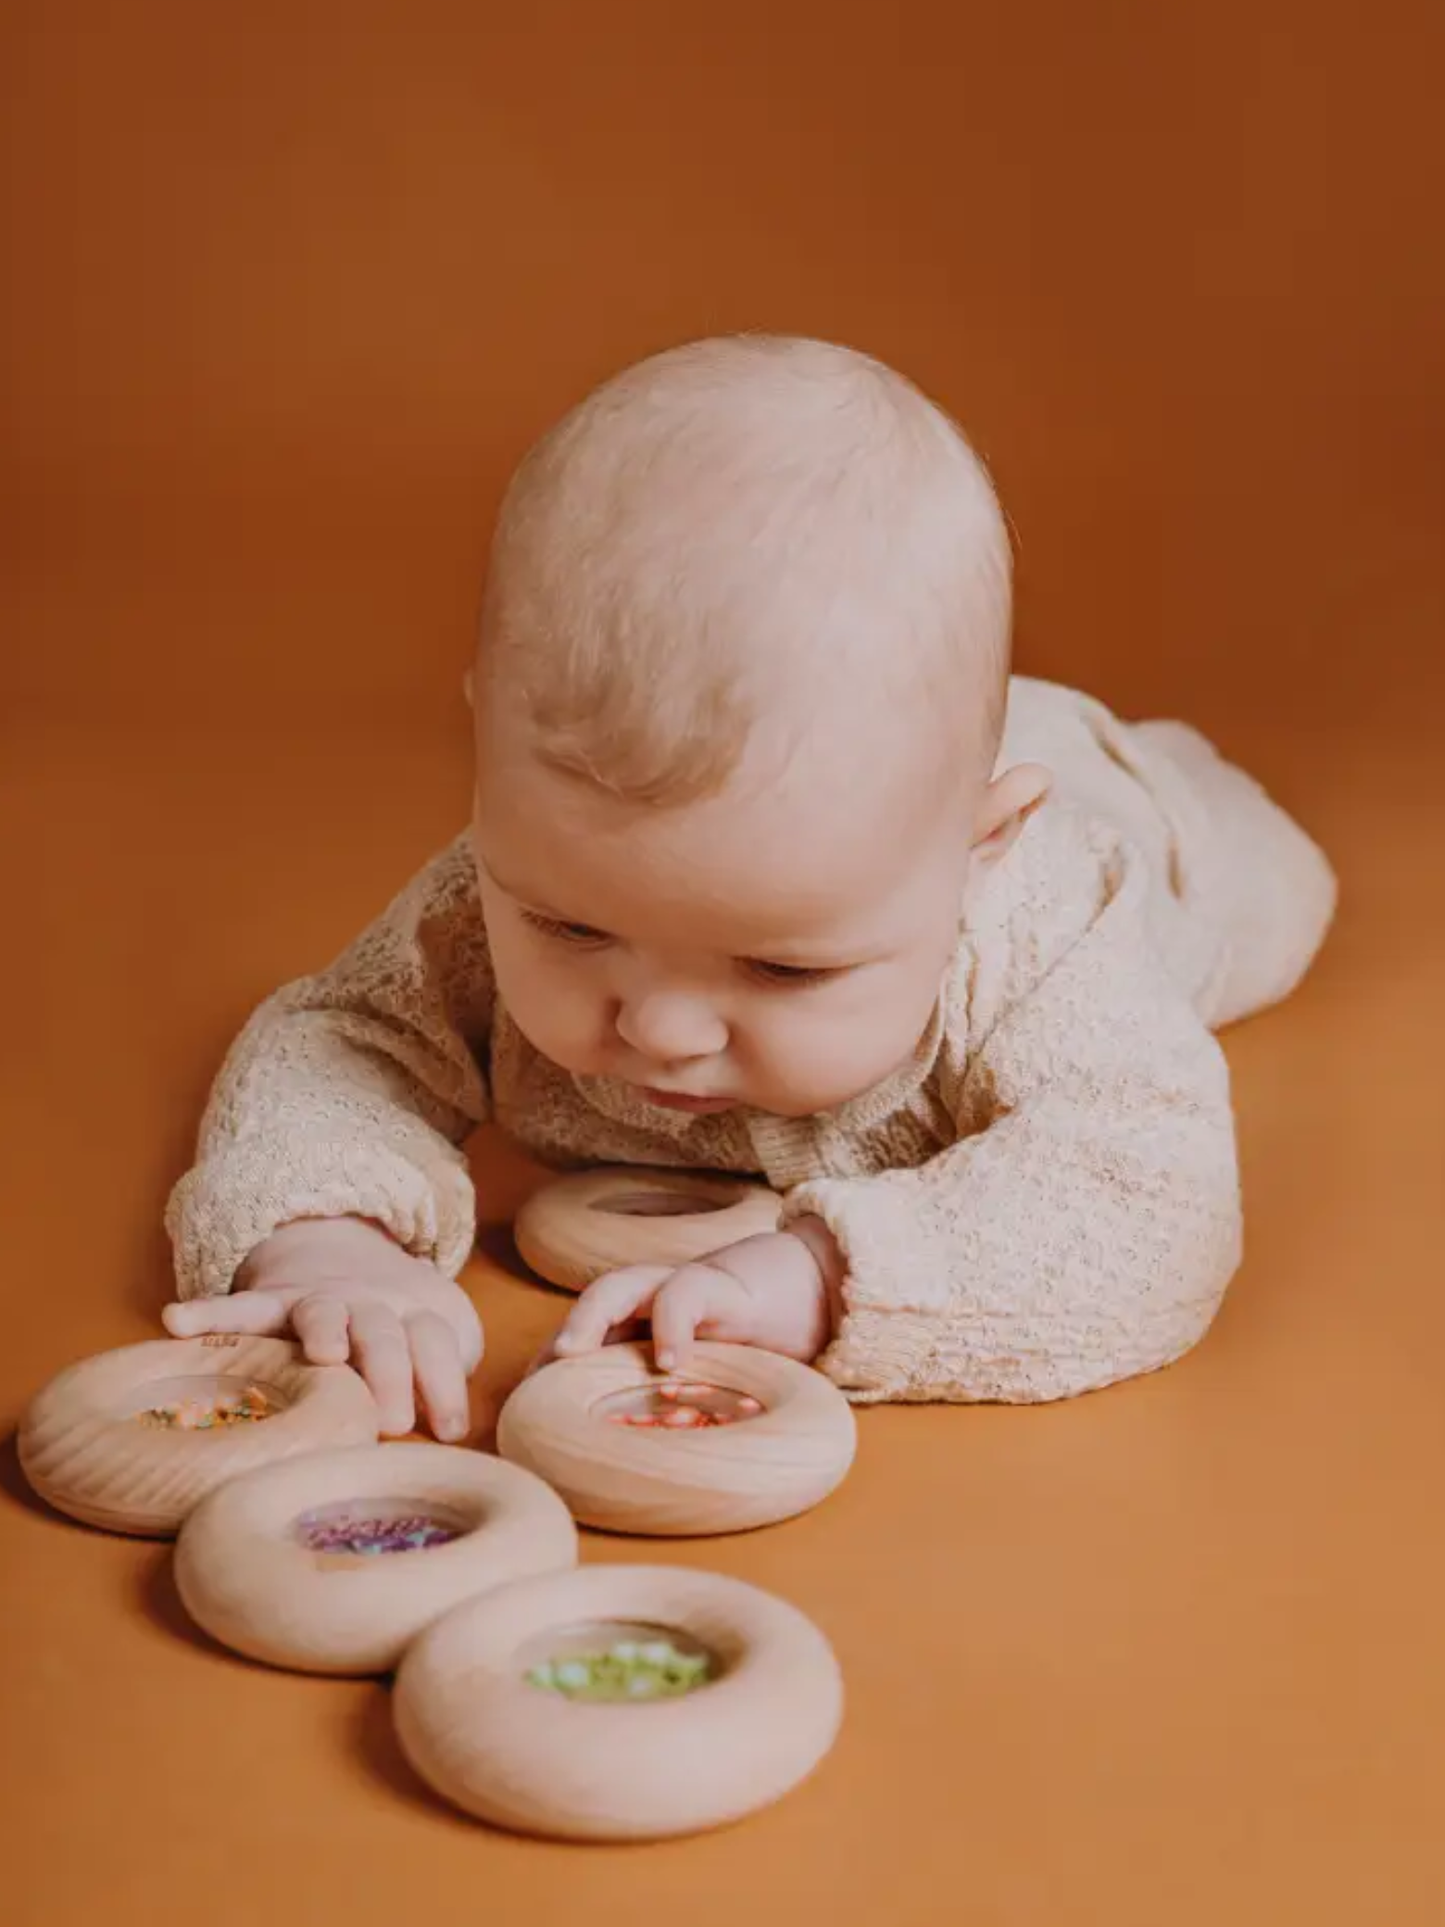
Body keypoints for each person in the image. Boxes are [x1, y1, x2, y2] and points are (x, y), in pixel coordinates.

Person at [161, 335, 1337, 1439]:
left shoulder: (1048, 927)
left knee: (1278, 897)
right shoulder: (507, 874)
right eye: (572, 926)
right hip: (871, 793)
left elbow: (1147, 1203)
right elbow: (339, 1039)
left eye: (785, 964)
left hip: (1112, 809)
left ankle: (1161, 773)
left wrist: (831, 1276)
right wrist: (325, 1235)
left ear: (975, 854)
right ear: (489, 758)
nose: (658, 1028)